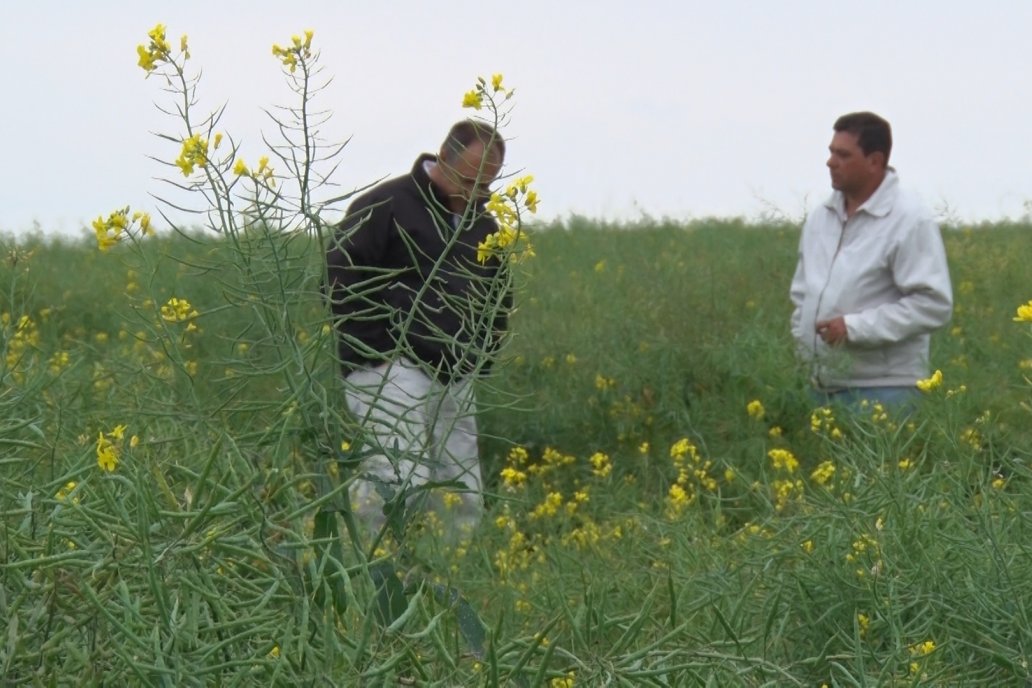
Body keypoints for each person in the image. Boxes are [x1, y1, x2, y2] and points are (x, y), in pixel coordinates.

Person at [325, 119, 509, 540]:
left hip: (454, 367)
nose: (475, 193)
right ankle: (365, 561)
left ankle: (452, 568)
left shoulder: (483, 227)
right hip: (387, 365)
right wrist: (380, 350)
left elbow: (499, 295)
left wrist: (480, 354)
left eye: (487, 184)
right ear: (443, 157)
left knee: (460, 480)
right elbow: (338, 279)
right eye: (469, 179)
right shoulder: (385, 205)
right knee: (397, 472)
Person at [789, 111, 953, 409]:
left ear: (874, 162)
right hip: (819, 386)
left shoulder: (909, 219)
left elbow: (933, 304)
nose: (830, 162)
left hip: (886, 390)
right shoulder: (820, 218)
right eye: (831, 152)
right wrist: (803, 344)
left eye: (843, 154)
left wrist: (853, 328)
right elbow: (803, 295)